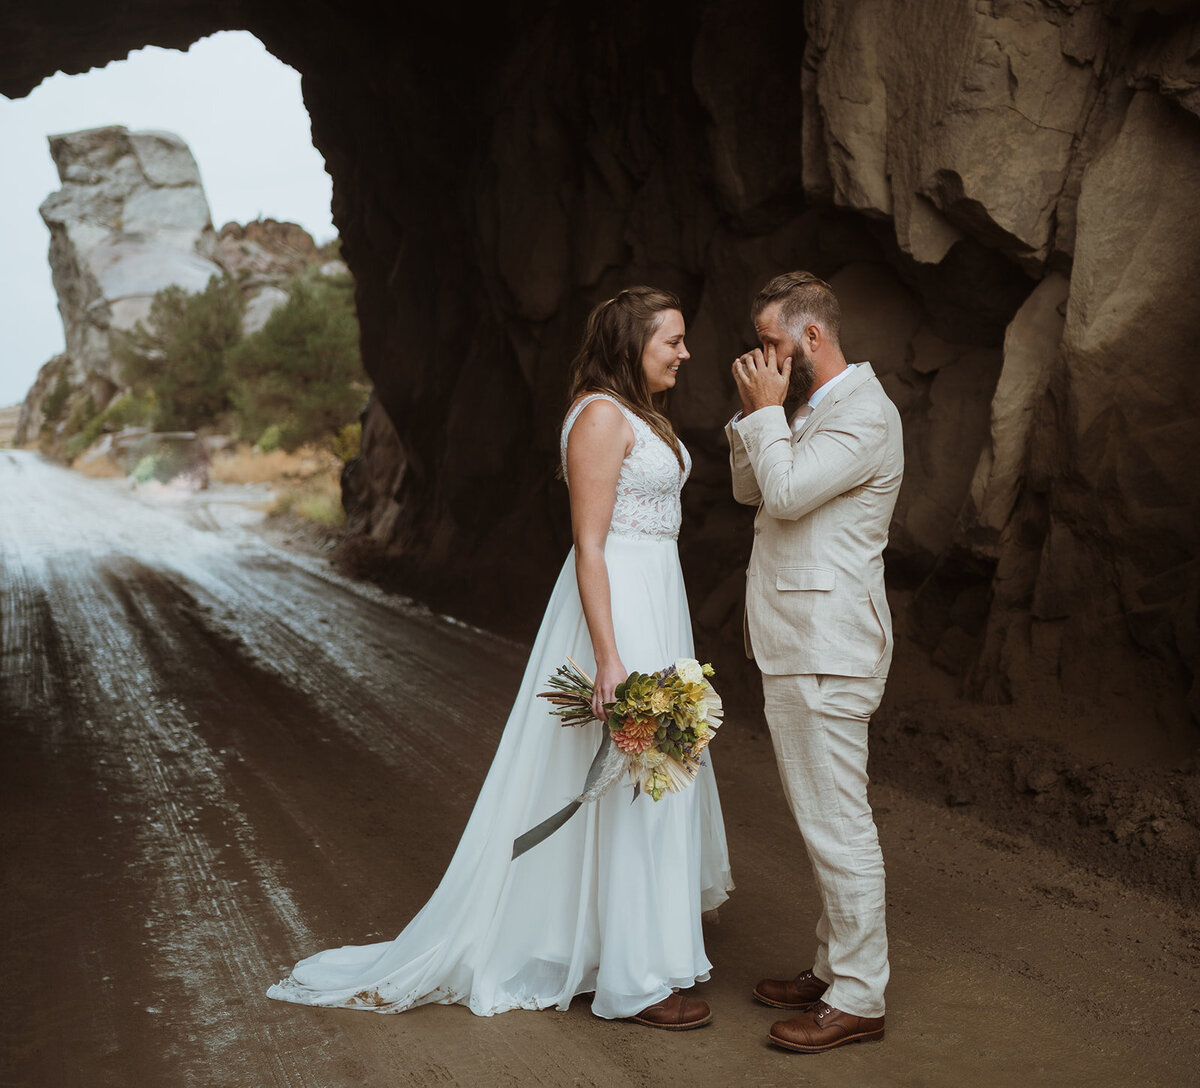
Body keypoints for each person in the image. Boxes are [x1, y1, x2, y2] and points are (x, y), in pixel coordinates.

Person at [269, 286, 732, 1029]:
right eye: (670, 341)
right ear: (629, 344)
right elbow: (589, 545)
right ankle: (637, 981)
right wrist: (611, 659)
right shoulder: (600, 416)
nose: (684, 353)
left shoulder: (640, 414)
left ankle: (623, 947)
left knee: (654, 774)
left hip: (656, 597)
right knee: (631, 774)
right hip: (618, 609)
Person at [725, 271, 903, 1052]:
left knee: (839, 824)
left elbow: (788, 494)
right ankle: (834, 967)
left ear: (812, 338)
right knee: (821, 815)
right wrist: (756, 416)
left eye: (772, 341)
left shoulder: (865, 415)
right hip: (802, 640)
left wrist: (768, 418)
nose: (761, 355)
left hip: (829, 644)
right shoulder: (802, 409)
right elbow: (749, 491)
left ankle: (860, 996)